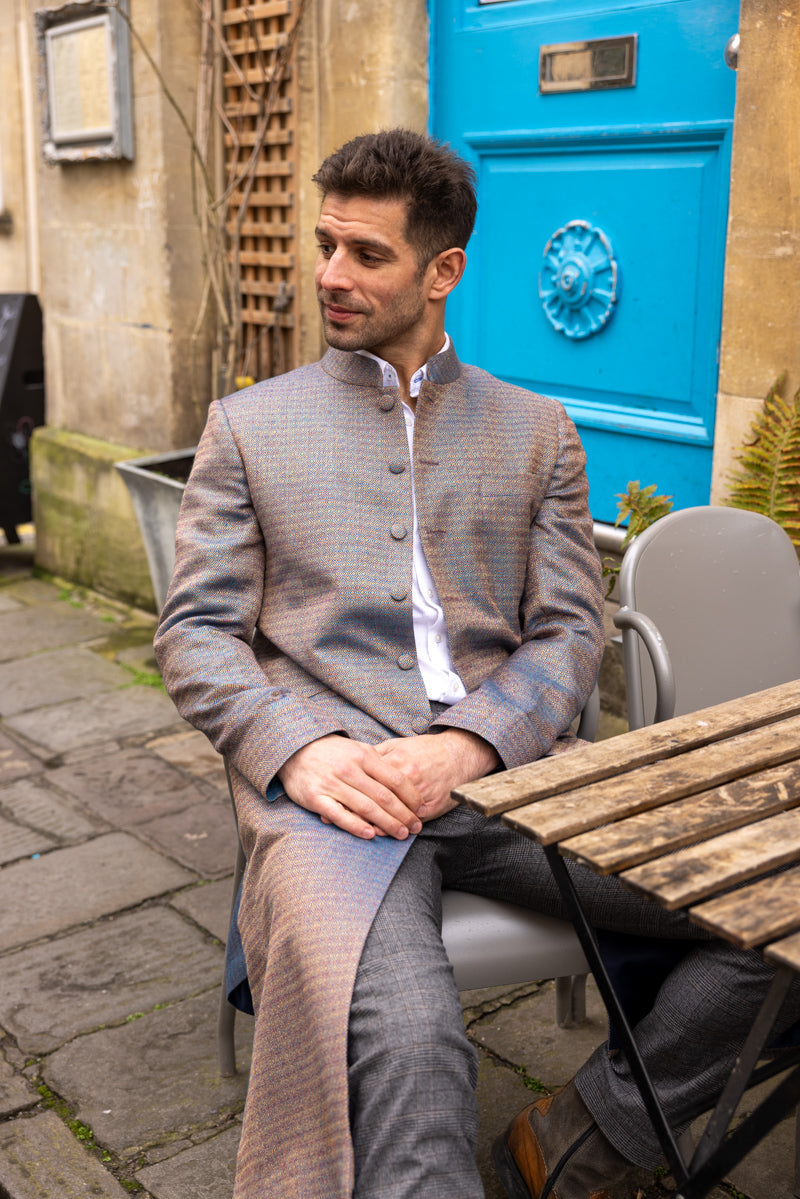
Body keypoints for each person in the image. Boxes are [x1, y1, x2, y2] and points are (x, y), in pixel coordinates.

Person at [154, 129, 800, 1199]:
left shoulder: (536, 430)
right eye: (324, 245)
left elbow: (569, 628)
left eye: (365, 253)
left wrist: (465, 743)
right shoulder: (247, 429)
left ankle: (590, 1128)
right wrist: (296, 751)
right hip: (337, 801)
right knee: (412, 1046)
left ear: (442, 269)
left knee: (777, 901)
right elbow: (194, 632)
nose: (329, 275)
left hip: (516, 785)